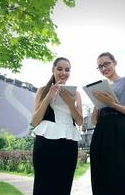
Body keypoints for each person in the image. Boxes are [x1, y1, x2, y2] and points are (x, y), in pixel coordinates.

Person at [90, 52, 125, 195]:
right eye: (100, 66)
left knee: (121, 172)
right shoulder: (101, 86)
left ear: (115, 62)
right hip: (101, 132)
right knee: (100, 174)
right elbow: (94, 120)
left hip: (120, 129)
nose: (103, 68)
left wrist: (112, 104)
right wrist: (97, 101)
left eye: (107, 63)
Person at [30, 57, 83, 195]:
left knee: (64, 187)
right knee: (43, 186)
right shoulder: (42, 90)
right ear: (53, 70)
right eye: (59, 69)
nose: (63, 72)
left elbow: (80, 121)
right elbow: (35, 121)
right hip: (45, 144)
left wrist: (71, 104)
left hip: (69, 145)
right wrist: (48, 98)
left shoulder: (76, 93)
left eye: (67, 70)